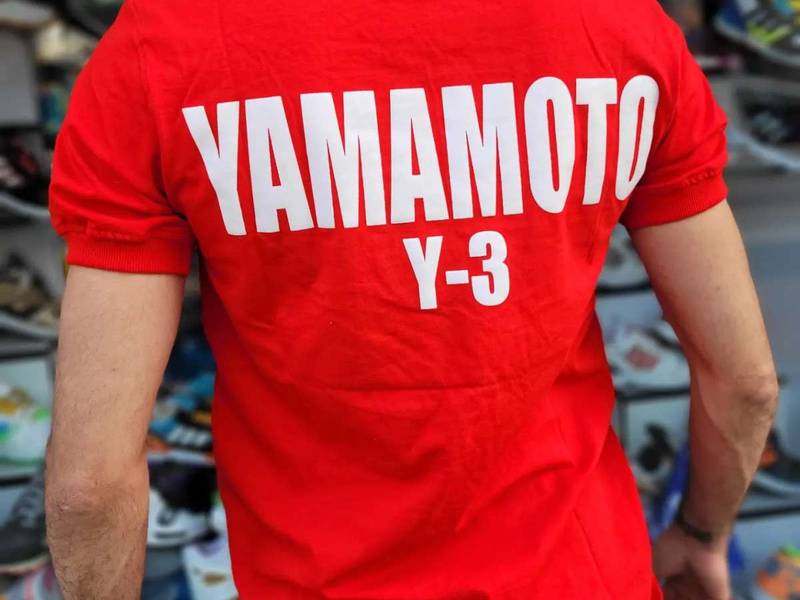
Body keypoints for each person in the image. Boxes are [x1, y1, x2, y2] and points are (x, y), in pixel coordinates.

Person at [44, 0, 779, 598]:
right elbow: (743, 381)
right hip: (582, 575)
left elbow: (91, 485)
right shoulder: (618, 23)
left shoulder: (163, 43)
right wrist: (701, 532)